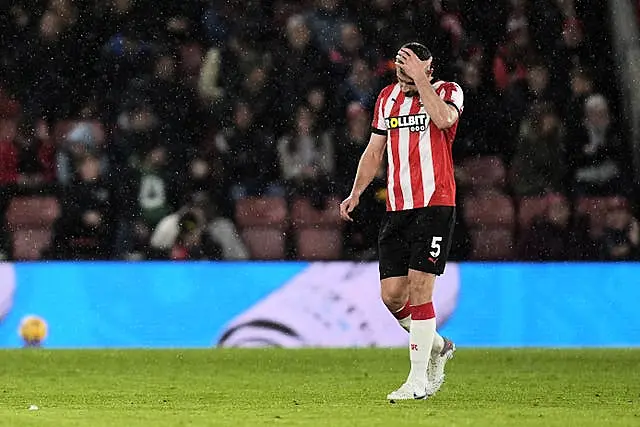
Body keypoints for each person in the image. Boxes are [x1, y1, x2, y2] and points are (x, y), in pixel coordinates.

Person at [340, 42, 463, 400]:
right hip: (397, 207)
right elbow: (374, 150)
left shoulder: (448, 91)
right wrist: (356, 191)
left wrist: (420, 80)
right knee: (392, 296)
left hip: (435, 204)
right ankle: (438, 345)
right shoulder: (386, 98)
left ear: (429, 68)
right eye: (399, 71)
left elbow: (442, 120)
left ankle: (417, 381)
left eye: (410, 70)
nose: (403, 79)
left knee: (421, 287)